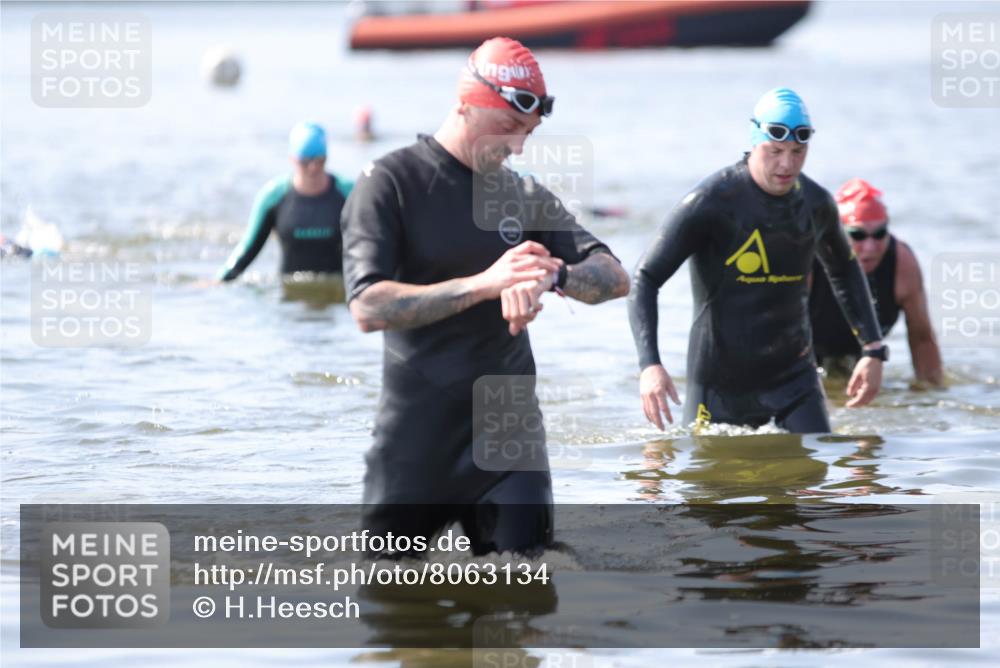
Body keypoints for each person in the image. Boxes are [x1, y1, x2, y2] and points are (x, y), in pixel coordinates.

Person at [342, 37, 629, 557]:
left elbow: (615, 276)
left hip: (508, 441)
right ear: (467, 103)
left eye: (528, 133)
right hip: (416, 445)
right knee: (394, 612)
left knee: (523, 602)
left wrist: (552, 275)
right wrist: (486, 284)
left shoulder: (523, 195)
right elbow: (367, 306)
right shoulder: (389, 183)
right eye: (509, 128)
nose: (518, 147)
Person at [628, 88, 886, 434]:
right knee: (710, 485)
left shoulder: (815, 203)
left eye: (798, 152)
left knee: (815, 477)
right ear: (754, 142)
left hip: (794, 379)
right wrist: (650, 366)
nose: (787, 164)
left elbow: (845, 269)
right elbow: (646, 278)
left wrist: (872, 350)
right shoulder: (712, 201)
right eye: (775, 151)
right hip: (719, 383)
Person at [810, 178, 943, 386]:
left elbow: (922, 339)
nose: (870, 247)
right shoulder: (810, 259)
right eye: (858, 235)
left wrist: (933, 397)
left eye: (880, 234)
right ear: (835, 232)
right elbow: (781, 332)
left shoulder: (902, 262)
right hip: (807, 348)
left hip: (861, 353)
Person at [216, 121, 352, 282]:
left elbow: (372, 244)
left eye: (319, 160)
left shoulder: (348, 193)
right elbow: (249, 247)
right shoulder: (273, 196)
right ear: (293, 159)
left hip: (337, 289)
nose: (313, 168)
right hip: (289, 292)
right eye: (305, 162)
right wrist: (220, 280)